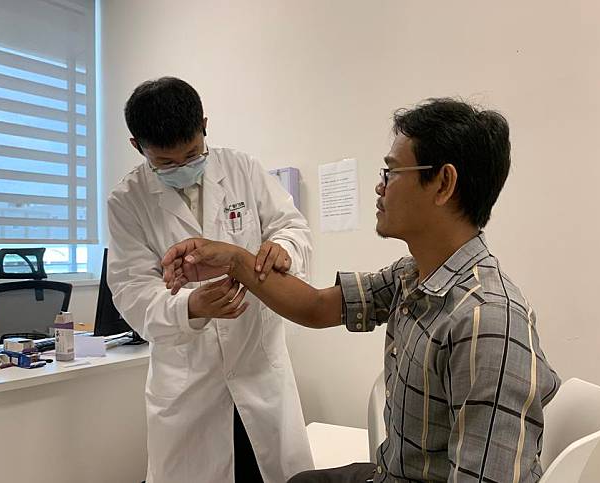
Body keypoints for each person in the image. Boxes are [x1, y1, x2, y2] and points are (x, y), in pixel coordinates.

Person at [162, 98, 561, 482]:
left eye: (391, 173)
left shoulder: (487, 322)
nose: (379, 188)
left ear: (443, 183)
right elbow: (317, 307)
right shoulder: (414, 277)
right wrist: (235, 260)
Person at [107, 76, 314, 483]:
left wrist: (284, 247)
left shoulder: (243, 169)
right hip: (188, 387)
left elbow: (291, 225)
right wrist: (190, 306)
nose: (182, 167)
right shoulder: (126, 201)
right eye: (166, 163)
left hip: (259, 369)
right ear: (137, 146)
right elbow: (131, 291)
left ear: (204, 125)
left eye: (192, 153)